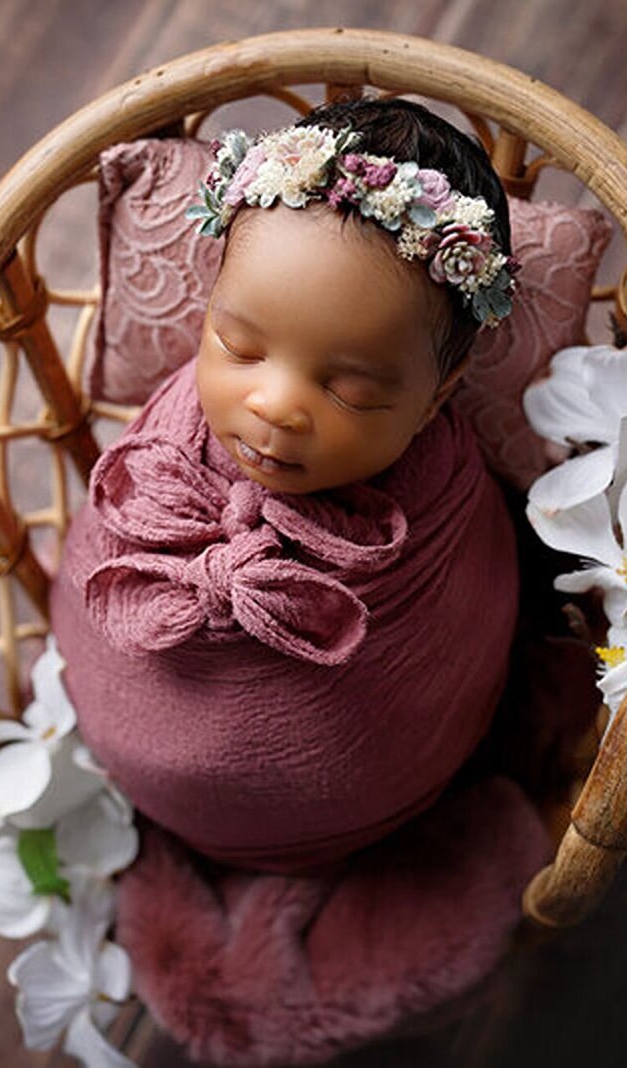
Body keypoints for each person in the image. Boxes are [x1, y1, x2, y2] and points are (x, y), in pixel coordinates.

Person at [49, 97, 528, 872]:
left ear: (438, 396)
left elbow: (457, 637)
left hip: (367, 807)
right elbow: (102, 551)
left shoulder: (441, 502)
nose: (275, 406)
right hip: (120, 760)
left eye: (353, 393)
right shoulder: (173, 432)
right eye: (238, 346)